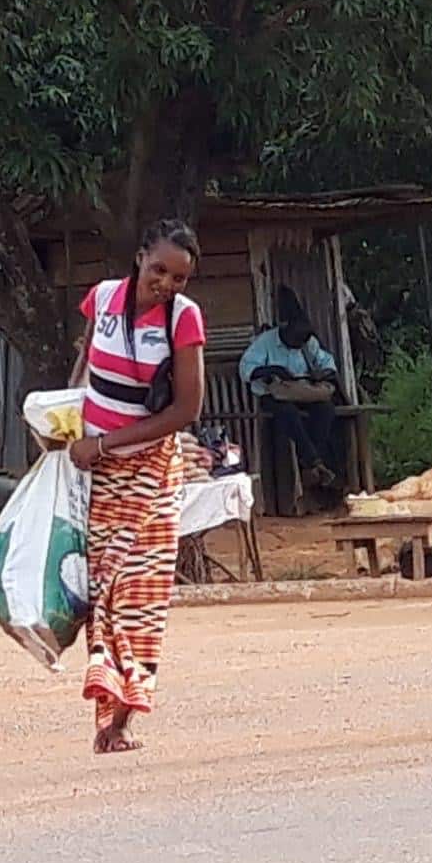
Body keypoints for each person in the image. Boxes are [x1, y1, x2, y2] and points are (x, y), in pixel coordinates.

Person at [68, 219, 206, 753]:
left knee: (141, 595)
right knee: (102, 594)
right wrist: (65, 420)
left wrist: (107, 444)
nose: (166, 285)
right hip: (98, 477)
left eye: (178, 278)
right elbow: (84, 363)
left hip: (150, 474)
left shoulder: (184, 319)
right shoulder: (102, 300)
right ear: (140, 257)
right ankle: (106, 709)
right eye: (159, 271)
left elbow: (186, 408)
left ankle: (123, 719)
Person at [239, 286, 343, 490]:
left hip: (303, 393)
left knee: (326, 409)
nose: (299, 345)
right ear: (285, 331)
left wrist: (321, 374)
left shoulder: (307, 342)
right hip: (274, 395)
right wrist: (273, 369)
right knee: (288, 414)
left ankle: (315, 461)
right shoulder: (266, 342)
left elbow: (328, 365)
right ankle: (313, 462)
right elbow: (246, 370)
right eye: (296, 340)